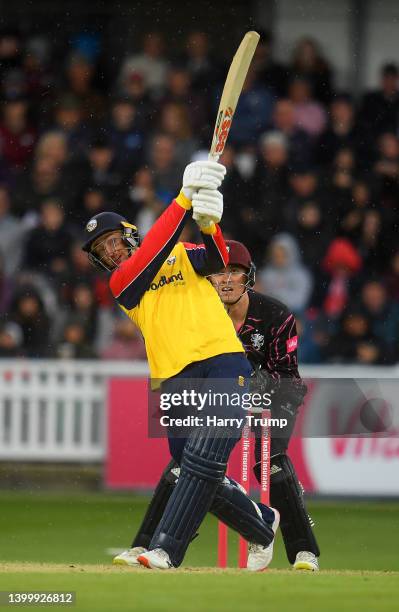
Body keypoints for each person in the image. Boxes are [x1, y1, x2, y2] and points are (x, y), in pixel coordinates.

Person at [82, 160, 278, 570]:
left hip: (222, 360)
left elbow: (217, 258)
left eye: (114, 241)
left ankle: (166, 550)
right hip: (173, 378)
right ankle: (262, 524)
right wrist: (184, 199)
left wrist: (209, 224)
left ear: (130, 234)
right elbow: (152, 251)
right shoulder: (122, 283)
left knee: (204, 460)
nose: (111, 252)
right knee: (193, 468)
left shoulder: (180, 252)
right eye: (103, 250)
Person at [114, 240, 320, 571]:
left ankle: (302, 552)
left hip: (277, 393)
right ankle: (146, 544)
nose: (225, 280)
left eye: (234, 273)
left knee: (270, 464)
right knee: (185, 465)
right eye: (218, 273)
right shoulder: (200, 306)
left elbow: (286, 374)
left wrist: (252, 394)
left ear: (248, 278)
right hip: (219, 391)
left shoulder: (275, 315)